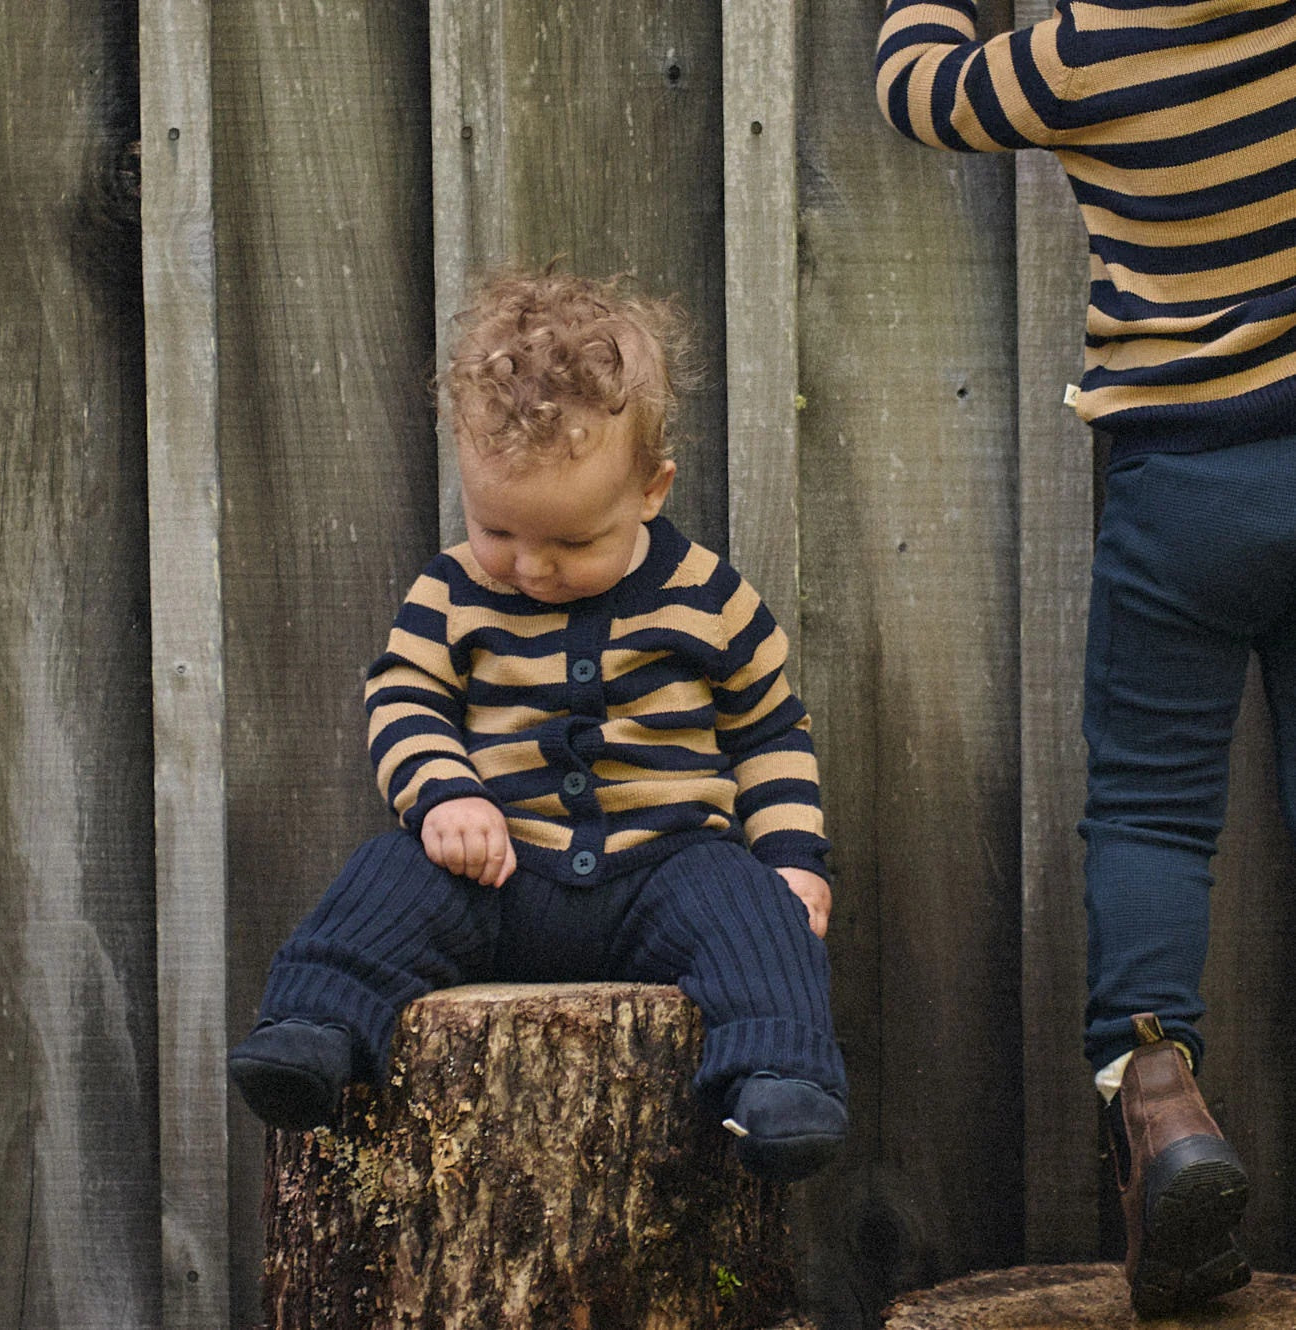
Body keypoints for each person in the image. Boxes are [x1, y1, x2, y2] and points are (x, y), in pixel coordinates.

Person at [228, 270, 848, 1182]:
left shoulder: (712, 598)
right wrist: (443, 792)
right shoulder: (451, 590)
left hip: (664, 870)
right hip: (496, 868)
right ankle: (312, 1028)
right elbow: (404, 696)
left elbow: (770, 733)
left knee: (755, 917)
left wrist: (793, 856)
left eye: (572, 543)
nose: (532, 568)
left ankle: (778, 1080)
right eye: (499, 530)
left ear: (650, 489)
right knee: (387, 878)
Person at [874, 0, 1296, 1314]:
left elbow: (917, 88)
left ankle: (1158, 1094)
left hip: (1178, 484)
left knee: (1150, 814)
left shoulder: (1075, 55)